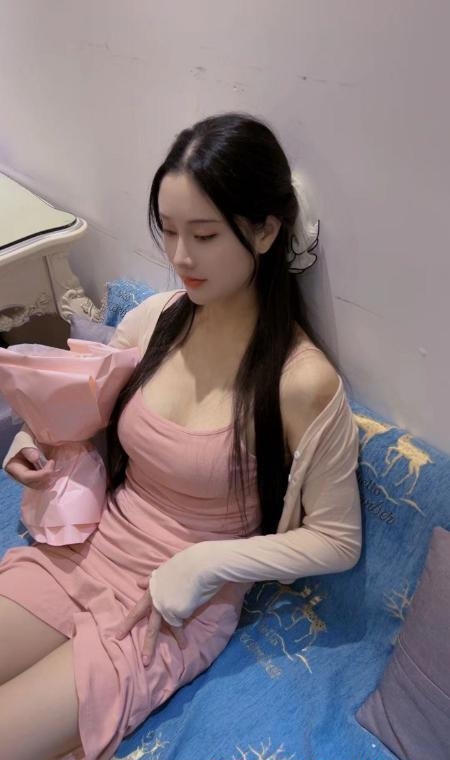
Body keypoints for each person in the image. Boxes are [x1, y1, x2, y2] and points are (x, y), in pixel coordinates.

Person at [0, 111, 362, 760]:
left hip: (173, 604)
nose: (179, 257)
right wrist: (30, 439)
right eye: (168, 230)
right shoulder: (158, 318)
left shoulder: (300, 380)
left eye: (204, 234)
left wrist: (208, 563)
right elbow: (82, 407)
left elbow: (338, 539)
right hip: (85, 547)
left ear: (265, 231)